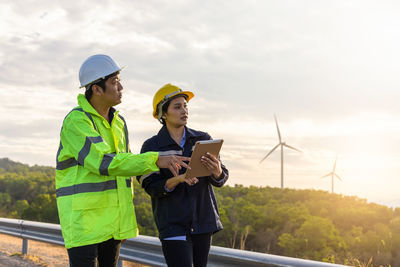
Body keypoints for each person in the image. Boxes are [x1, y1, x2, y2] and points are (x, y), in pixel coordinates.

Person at [55, 55, 190, 267]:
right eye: (115, 81)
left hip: (113, 225)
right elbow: (103, 162)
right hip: (85, 223)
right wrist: (156, 160)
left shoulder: (119, 122)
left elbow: (125, 166)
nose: (121, 87)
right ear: (96, 89)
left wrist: (123, 223)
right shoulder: (76, 122)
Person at [137, 83, 229, 267]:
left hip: (203, 222)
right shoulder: (151, 147)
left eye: (185, 106)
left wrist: (217, 170)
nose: (184, 111)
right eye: (177, 107)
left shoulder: (202, 139)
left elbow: (221, 178)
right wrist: (178, 179)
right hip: (172, 224)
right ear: (163, 114)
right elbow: (151, 187)